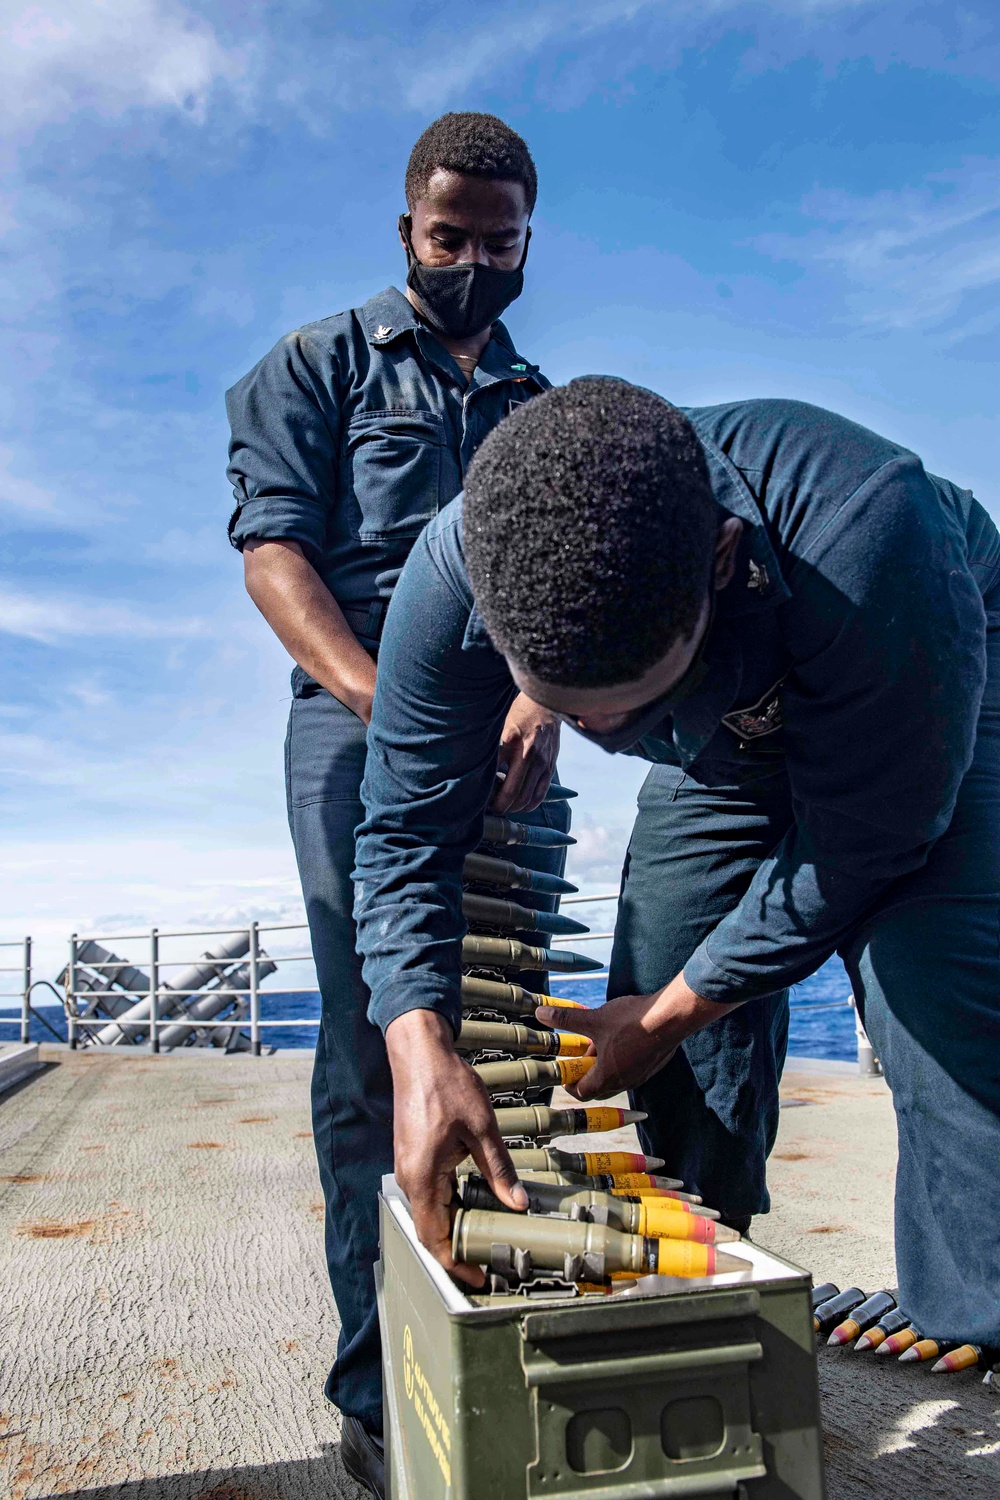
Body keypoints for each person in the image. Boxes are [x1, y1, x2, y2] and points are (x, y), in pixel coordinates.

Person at [354, 377, 1000, 1356]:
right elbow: (403, 829)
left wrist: (668, 1015)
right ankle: (710, 1273)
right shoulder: (453, 572)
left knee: (932, 985)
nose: (605, 736)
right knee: (660, 960)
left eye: (626, 702)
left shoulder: (869, 523)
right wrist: (417, 1041)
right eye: (574, 711)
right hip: (721, 735)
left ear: (721, 559)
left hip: (921, 672)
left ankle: (980, 1321)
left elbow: (868, 840)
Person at [225, 113, 568, 1498]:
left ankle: (507, 1327)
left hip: (517, 739)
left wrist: (546, 690)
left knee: (510, 1033)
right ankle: (381, 1381)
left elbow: (572, 569)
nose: (477, 261)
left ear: (529, 237)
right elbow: (272, 556)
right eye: (452, 238)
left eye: (503, 242)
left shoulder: (547, 404)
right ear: (407, 229)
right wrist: (386, 693)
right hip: (358, 723)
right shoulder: (313, 364)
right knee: (383, 1047)